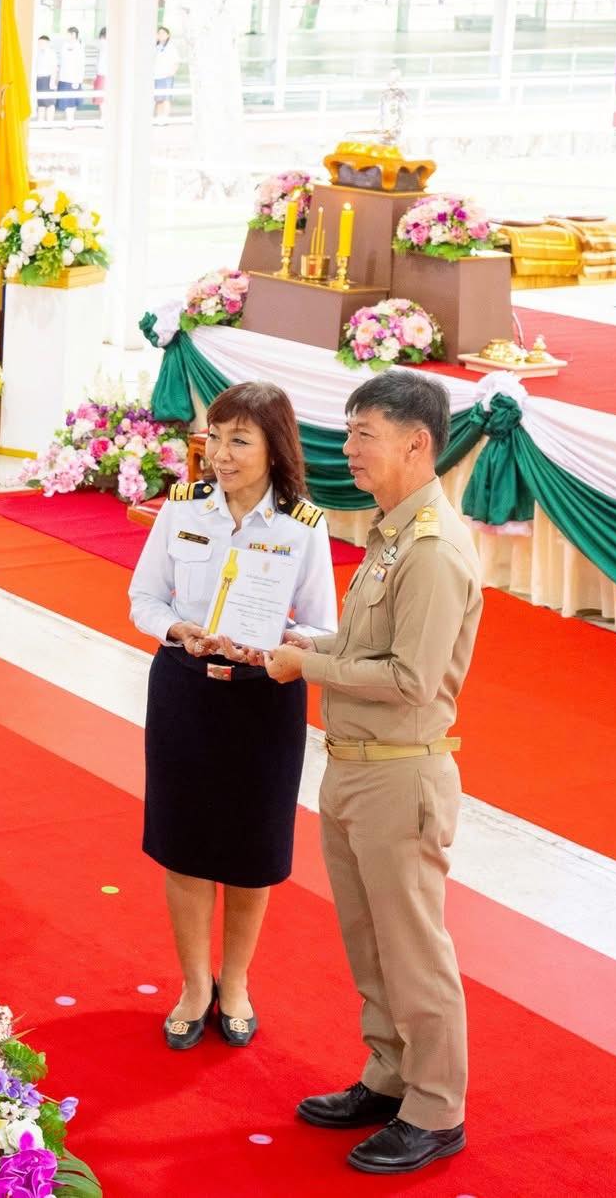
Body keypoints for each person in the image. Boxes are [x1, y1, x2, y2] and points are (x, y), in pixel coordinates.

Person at [264, 370, 484, 1176]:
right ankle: (389, 1073)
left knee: (413, 946)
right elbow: (366, 649)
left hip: (401, 775)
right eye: (350, 431)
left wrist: (306, 665)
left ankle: (435, 1107)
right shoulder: (391, 531)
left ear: (416, 443)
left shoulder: (431, 547)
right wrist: (306, 646)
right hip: (354, 766)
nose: (348, 448)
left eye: (364, 433)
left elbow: (411, 678)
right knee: (370, 940)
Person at [126, 382, 336, 1051]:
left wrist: (285, 644)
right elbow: (142, 598)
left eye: (239, 439)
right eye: (214, 437)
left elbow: (321, 625)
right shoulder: (183, 509)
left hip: (264, 697)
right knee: (184, 843)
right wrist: (178, 628)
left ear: (275, 448)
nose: (220, 453)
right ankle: (193, 983)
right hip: (187, 687)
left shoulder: (303, 525)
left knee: (251, 850)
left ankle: (236, 981)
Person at [153, 26, 180, 118]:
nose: (161, 35)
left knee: (166, 99)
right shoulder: (155, 46)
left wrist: (172, 73)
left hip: (166, 76)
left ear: (168, 35)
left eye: (163, 33)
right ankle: (158, 117)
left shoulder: (171, 47)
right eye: (159, 33)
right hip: (155, 76)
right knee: (158, 99)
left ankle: (164, 118)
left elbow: (176, 62)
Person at [57, 28, 84, 116]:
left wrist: (77, 80)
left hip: (73, 79)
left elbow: (80, 64)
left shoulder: (79, 46)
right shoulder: (64, 45)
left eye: (67, 34)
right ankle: (69, 121)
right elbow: (61, 62)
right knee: (64, 101)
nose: (66, 36)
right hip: (63, 78)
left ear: (73, 34)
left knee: (71, 102)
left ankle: (70, 122)